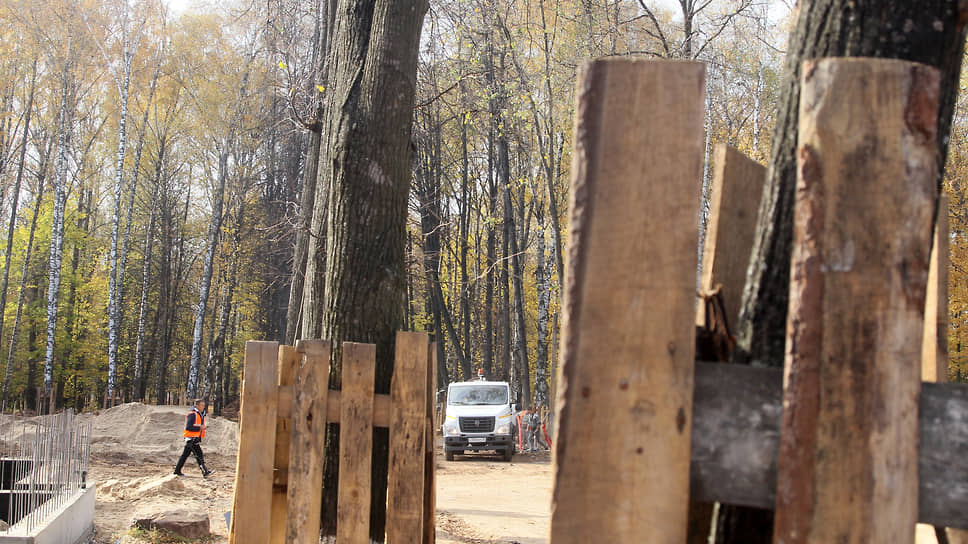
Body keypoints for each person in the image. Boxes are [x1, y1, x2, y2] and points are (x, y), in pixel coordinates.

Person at [174, 399, 214, 477]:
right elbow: (188, 427)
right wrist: (200, 428)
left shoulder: (199, 414)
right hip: (191, 439)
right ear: (197, 405)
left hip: (194, 439)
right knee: (198, 455)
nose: (203, 407)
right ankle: (204, 471)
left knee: (191, 455)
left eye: (204, 405)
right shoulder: (193, 414)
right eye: (202, 405)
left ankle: (177, 471)